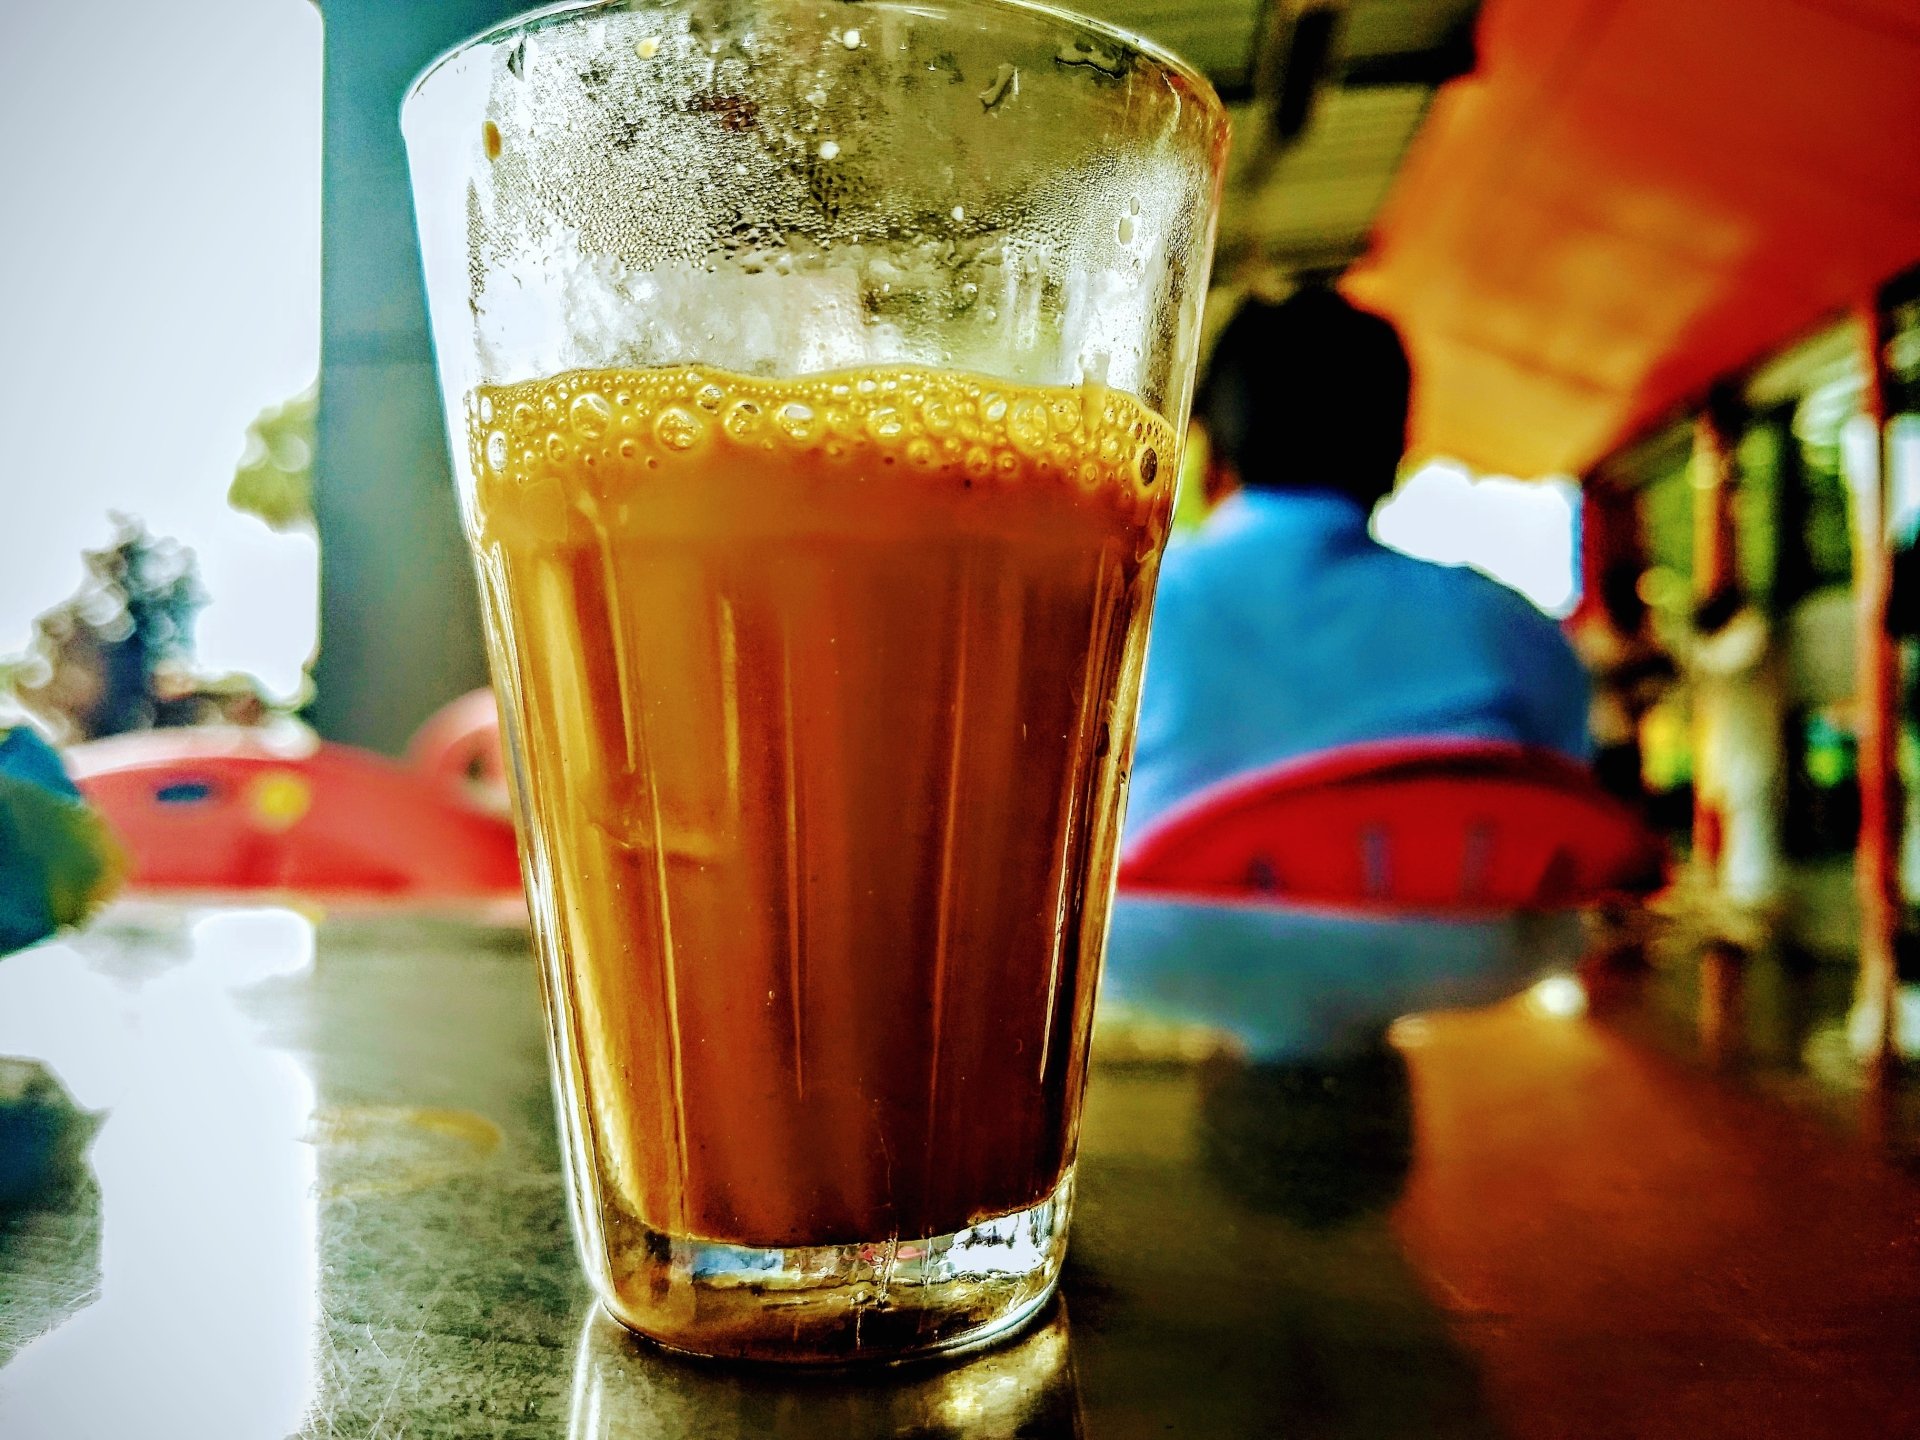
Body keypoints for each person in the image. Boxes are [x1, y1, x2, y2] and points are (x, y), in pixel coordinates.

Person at [1127, 287, 1592, 832]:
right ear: (1393, 460)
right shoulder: (1513, 637)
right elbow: (1573, 830)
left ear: (1212, 461)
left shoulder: (1130, 615)